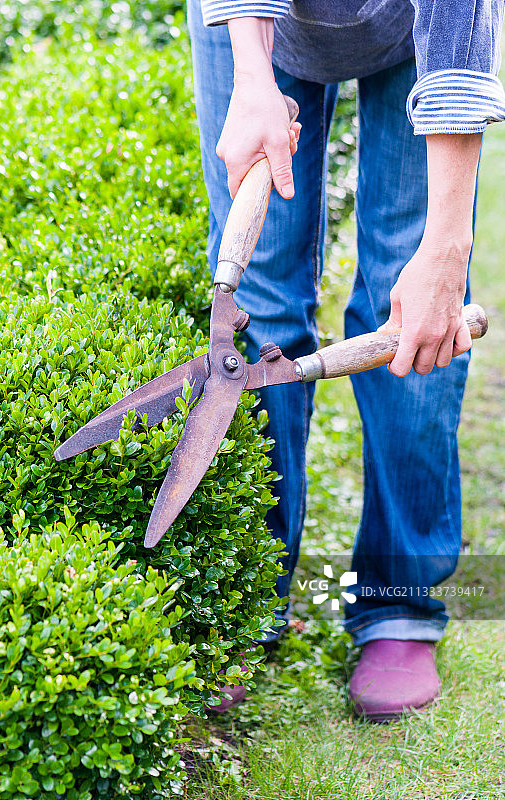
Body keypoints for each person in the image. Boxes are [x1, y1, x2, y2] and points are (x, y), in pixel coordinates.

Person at [188, 0, 505, 721]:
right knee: (258, 304)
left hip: (414, 30)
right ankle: (250, 597)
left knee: (413, 312)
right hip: (258, 23)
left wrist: (446, 249)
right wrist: (252, 75)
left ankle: (398, 601)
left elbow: (459, 32)